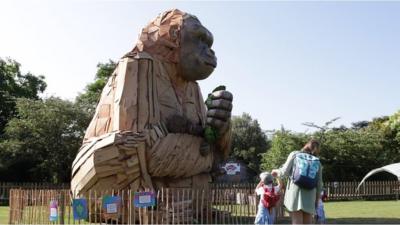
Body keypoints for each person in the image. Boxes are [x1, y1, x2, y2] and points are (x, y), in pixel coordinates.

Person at [272, 139, 323, 225]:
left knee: (297, 222)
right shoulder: (317, 162)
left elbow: (284, 172)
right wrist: (317, 200)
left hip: (295, 194)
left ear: (306, 145)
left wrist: (275, 171)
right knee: (308, 222)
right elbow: (319, 183)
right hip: (310, 196)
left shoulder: (295, 155)